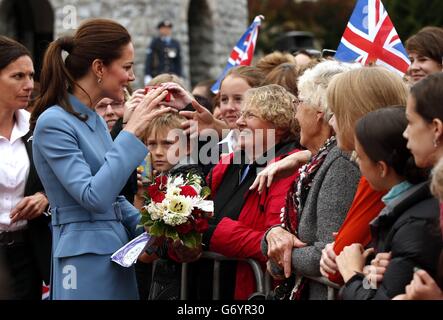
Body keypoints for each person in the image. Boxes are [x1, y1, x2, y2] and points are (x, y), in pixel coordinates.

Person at [30, 18, 174, 300]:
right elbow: (93, 196)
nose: (131, 77)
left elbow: (114, 197)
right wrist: (130, 133)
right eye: (127, 67)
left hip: (115, 251)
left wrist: (156, 225)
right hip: (83, 258)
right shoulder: (53, 122)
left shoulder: (93, 119)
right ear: (99, 68)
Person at [261, 61, 361, 300]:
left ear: (319, 112)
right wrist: (273, 235)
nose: (295, 112)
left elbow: (328, 253)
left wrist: (277, 256)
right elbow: (291, 233)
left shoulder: (340, 163)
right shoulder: (319, 160)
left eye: (300, 102)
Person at [206, 84, 301, 300]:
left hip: (251, 289)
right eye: (241, 115)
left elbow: (275, 244)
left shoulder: (286, 169)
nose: (239, 122)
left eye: (250, 115)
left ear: (278, 126)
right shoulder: (227, 164)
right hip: (208, 283)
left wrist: (210, 233)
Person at [336, 106, 441, 300]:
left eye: (360, 157)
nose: (357, 164)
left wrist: (351, 275)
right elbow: (377, 288)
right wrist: (368, 269)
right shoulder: (405, 207)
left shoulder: (416, 223)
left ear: (381, 168)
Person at [318, 67, 409, 284]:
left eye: (337, 113)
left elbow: (338, 268)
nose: (331, 123)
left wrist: (342, 254)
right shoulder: (380, 167)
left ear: (358, 114)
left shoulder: (380, 175)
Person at [0, 35, 51, 300]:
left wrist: (44, 197)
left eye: (31, 76)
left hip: (27, 253)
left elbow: (58, 182)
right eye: (17, 76)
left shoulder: (38, 128)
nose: (29, 85)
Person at [134, 112, 204, 300]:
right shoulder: (163, 178)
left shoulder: (189, 179)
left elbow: (178, 233)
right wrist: (142, 193)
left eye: (167, 144)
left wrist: (148, 251)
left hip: (182, 279)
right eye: (151, 144)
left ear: (188, 146)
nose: (157, 151)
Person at [144, 20, 182, 85]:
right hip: (158, 74)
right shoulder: (155, 43)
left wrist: (180, 75)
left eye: (168, 28)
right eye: (164, 28)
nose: (166, 30)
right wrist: (148, 74)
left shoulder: (175, 43)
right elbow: (149, 59)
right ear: (160, 30)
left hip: (172, 76)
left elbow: (178, 61)